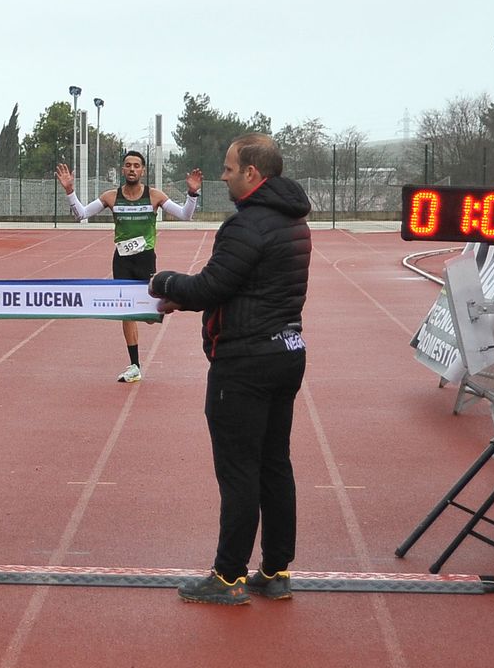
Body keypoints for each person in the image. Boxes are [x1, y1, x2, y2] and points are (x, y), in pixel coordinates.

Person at [148, 133, 311, 605]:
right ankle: (277, 570)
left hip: (245, 362)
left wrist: (164, 281)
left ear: (253, 174)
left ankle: (228, 577)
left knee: (239, 471)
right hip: (286, 350)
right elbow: (244, 285)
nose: (222, 176)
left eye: (228, 167)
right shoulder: (293, 221)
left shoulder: (247, 225)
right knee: (275, 465)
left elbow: (210, 287)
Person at [56, 151, 203, 382]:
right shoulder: (111, 197)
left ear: (143, 170)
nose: (132, 169)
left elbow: (185, 215)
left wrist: (193, 193)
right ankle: (134, 365)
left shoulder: (154, 196)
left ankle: (153, 308)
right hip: (122, 260)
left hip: (145, 259)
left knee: (149, 312)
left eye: (136, 165)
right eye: (128, 165)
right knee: (127, 310)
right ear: (123, 170)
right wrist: (69, 191)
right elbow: (80, 215)